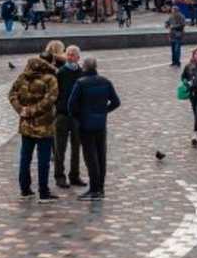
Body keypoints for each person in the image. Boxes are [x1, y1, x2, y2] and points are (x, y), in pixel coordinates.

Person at [67, 56, 121, 200]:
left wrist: (79, 118)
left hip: (86, 125)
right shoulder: (105, 81)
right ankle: (100, 188)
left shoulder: (81, 83)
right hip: (100, 124)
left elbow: (71, 106)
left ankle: (94, 189)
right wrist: (103, 112)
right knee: (101, 155)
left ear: (84, 67)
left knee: (90, 157)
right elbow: (116, 102)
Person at [8, 52, 60, 201]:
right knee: (43, 161)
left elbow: (12, 95)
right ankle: (43, 192)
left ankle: (25, 189)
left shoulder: (22, 78)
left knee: (25, 158)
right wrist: (32, 111)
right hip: (44, 126)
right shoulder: (50, 79)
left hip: (25, 125)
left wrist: (21, 110)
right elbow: (50, 100)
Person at [53, 45, 86, 190]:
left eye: (74, 55)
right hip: (62, 115)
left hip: (77, 116)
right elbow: (54, 93)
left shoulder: (82, 73)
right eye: (69, 54)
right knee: (60, 148)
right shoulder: (60, 73)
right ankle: (60, 176)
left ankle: (74, 175)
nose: (71, 57)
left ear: (79, 57)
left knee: (76, 148)